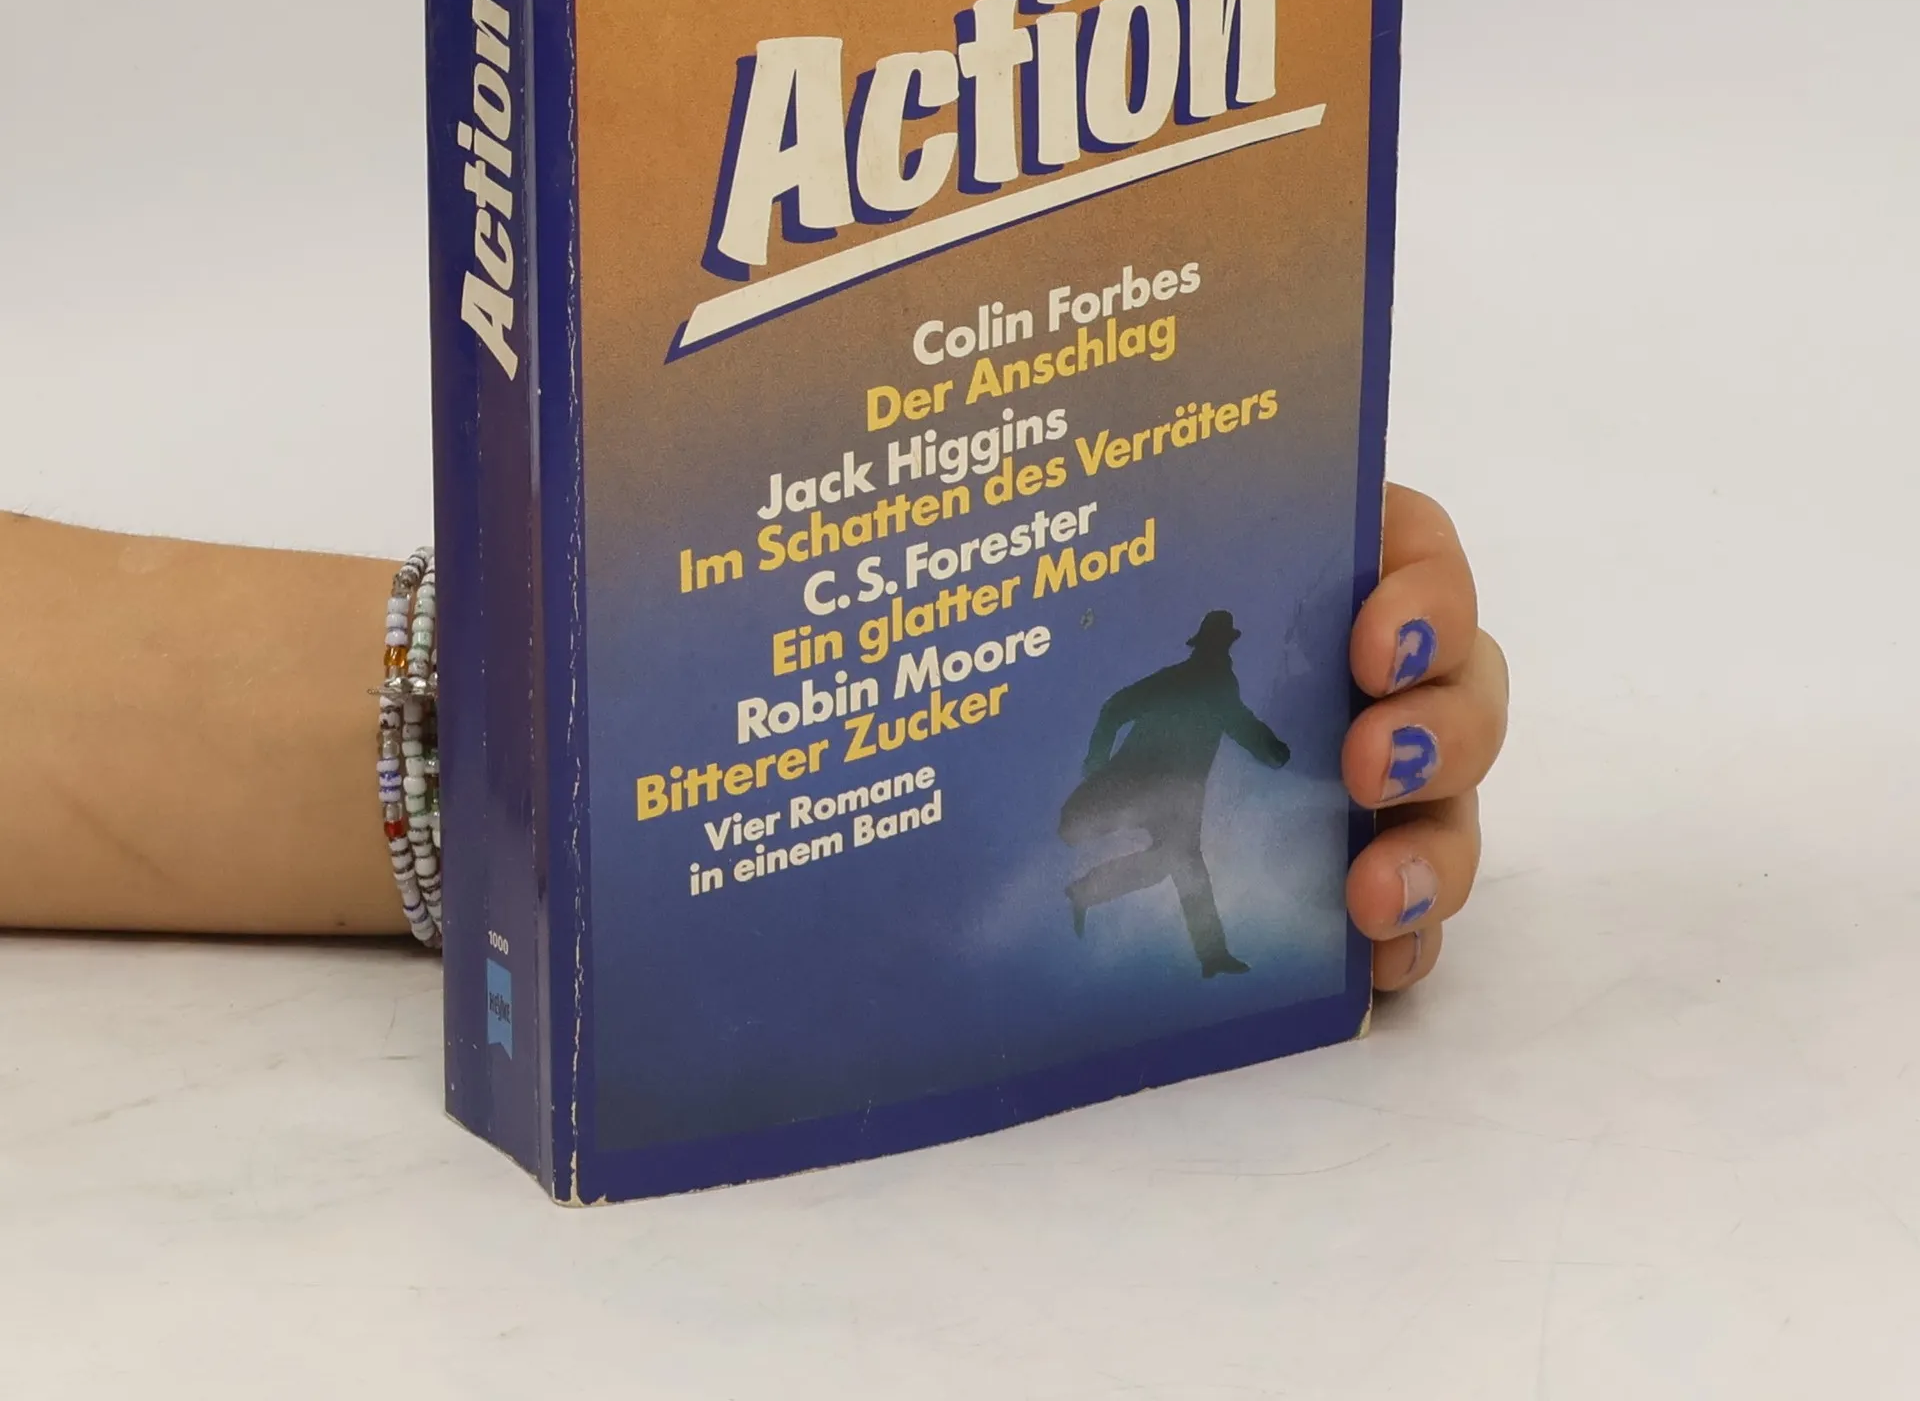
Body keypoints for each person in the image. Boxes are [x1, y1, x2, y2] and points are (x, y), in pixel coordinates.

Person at [0, 485, 1506, 993]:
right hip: (1130, 800)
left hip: (1119, 797)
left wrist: (661, 730)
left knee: (1185, 878)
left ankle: (1160, 927)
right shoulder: (1183, 686)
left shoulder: (1200, 681)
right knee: (1170, 876)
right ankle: (1132, 914)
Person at [1061, 607, 1292, 976]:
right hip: (1143, 782)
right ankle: (1210, 953)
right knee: (1080, 829)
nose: (1220, 653)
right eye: (1215, 645)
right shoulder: (1187, 681)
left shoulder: (1212, 684)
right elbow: (1115, 708)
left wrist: (1272, 750)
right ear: (1207, 647)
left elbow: (1242, 725)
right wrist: (1097, 763)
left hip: (1178, 794)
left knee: (1180, 863)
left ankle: (1210, 954)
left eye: (1221, 646)